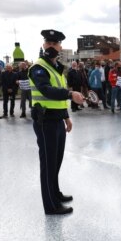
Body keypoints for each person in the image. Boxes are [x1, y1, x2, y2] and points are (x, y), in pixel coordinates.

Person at [29, 29, 85, 215]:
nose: (51, 46)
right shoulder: (38, 67)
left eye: (55, 43)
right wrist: (70, 94)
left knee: (56, 161)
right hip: (45, 122)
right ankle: (51, 206)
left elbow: (57, 98)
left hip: (57, 120)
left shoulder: (57, 68)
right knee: (48, 164)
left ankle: (55, 193)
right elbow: (46, 90)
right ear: (44, 45)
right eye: (48, 42)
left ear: (60, 47)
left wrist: (66, 116)